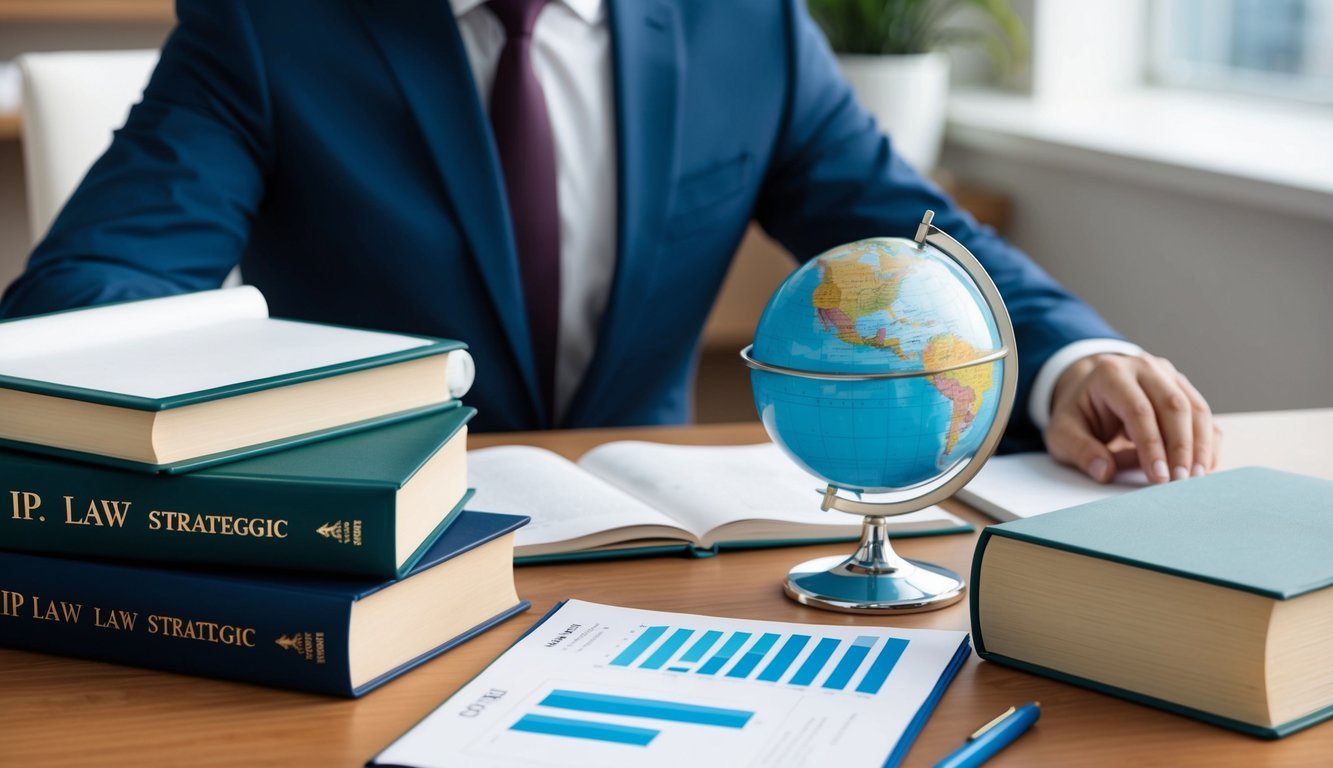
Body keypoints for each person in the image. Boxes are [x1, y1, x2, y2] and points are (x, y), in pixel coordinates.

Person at [0, 0, 1217, 484]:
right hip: (368, 558)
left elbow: (907, 226)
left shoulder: (745, 27)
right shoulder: (270, 27)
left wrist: (1066, 361)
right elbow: (97, 294)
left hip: (646, 549)